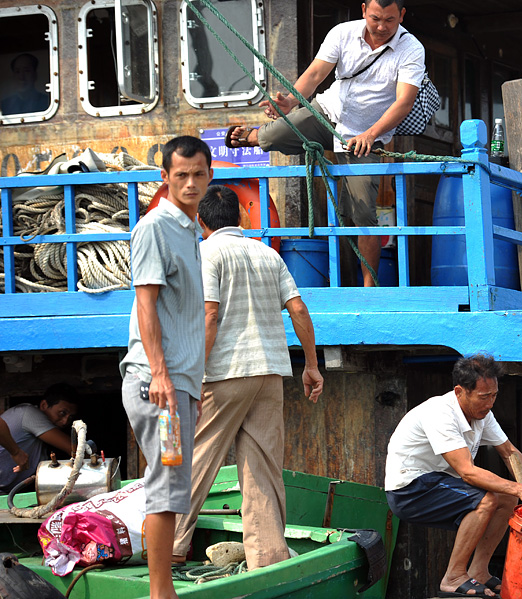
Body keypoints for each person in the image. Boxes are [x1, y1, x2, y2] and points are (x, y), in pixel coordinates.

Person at [172, 185, 324, 569]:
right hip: (270, 371)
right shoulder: (267, 254)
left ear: (200, 221)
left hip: (224, 372)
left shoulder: (204, 253)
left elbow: (209, 316)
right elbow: (299, 310)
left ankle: (170, 548)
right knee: (262, 468)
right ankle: (268, 556)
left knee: (194, 458)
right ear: (241, 217)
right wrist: (311, 365)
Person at [225, 0, 425, 287]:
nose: (382, 27)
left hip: (365, 138)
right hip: (329, 112)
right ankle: (251, 136)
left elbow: (404, 101)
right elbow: (316, 74)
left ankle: (369, 288)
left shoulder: (412, 49)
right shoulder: (342, 33)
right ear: (363, 9)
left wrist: (371, 134)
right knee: (271, 135)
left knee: (361, 213)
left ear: (402, 16)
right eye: (375, 18)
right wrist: (291, 101)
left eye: (390, 20)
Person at [119, 136, 212, 599]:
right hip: (158, 384)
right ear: (166, 178)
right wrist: (160, 375)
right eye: (181, 176)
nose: (191, 183)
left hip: (178, 382)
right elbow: (146, 304)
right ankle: (162, 593)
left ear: (210, 176)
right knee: (167, 485)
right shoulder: (156, 227)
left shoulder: (192, 231)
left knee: (173, 483)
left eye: (198, 174)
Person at [385, 355, 522, 598]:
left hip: (438, 483)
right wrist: (519, 489)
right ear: (460, 391)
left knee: (506, 499)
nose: (490, 403)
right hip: (409, 489)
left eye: (494, 395)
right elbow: (467, 472)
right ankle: (453, 577)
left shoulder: (483, 414)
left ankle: (479, 571)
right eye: (484, 397)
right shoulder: (440, 413)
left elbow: (510, 452)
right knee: (487, 499)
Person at [0, 384, 79, 494]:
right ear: (44, 405)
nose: (65, 421)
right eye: (62, 413)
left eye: (70, 417)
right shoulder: (29, 413)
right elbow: (75, 450)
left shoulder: (39, 444)